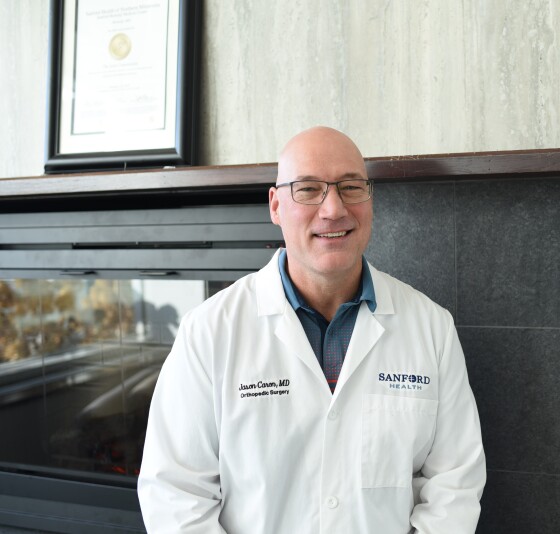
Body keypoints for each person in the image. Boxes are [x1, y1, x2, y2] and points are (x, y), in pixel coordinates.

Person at [137, 126, 486, 533]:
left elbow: (454, 485)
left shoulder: (431, 327)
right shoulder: (210, 331)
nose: (333, 208)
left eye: (351, 187)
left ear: (370, 199)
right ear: (275, 205)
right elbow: (176, 495)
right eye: (308, 189)